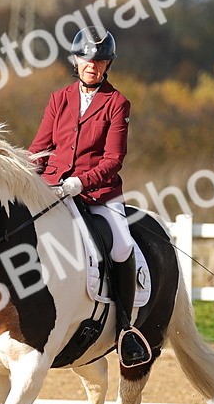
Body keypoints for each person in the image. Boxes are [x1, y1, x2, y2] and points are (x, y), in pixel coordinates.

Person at [30, 26, 152, 367]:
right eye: (86, 59)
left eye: (100, 61)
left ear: (107, 64)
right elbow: (41, 148)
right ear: (75, 60)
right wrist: (24, 173)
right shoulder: (59, 99)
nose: (92, 66)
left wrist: (80, 182)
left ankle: (126, 329)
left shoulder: (117, 103)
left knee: (122, 246)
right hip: (53, 188)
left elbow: (114, 159)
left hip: (98, 192)